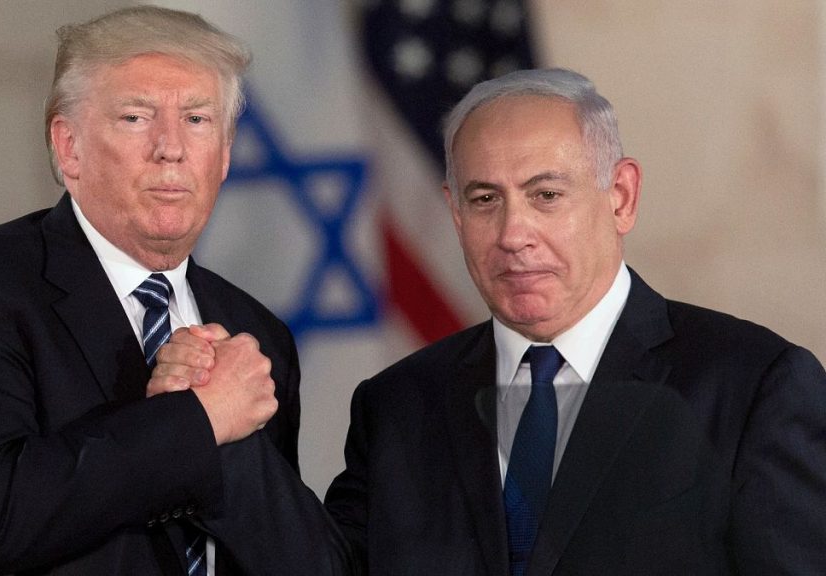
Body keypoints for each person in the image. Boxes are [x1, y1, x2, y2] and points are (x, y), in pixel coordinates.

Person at [0, 6, 347, 575]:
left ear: (225, 153)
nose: (171, 148)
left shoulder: (254, 334)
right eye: (136, 117)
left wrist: (226, 434)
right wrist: (194, 419)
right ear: (68, 147)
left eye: (197, 120)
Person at [322, 68, 826, 574]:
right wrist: (238, 440)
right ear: (455, 213)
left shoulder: (755, 386)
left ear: (621, 196)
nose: (513, 233)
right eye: (485, 200)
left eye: (546, 195)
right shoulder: (395, 406)